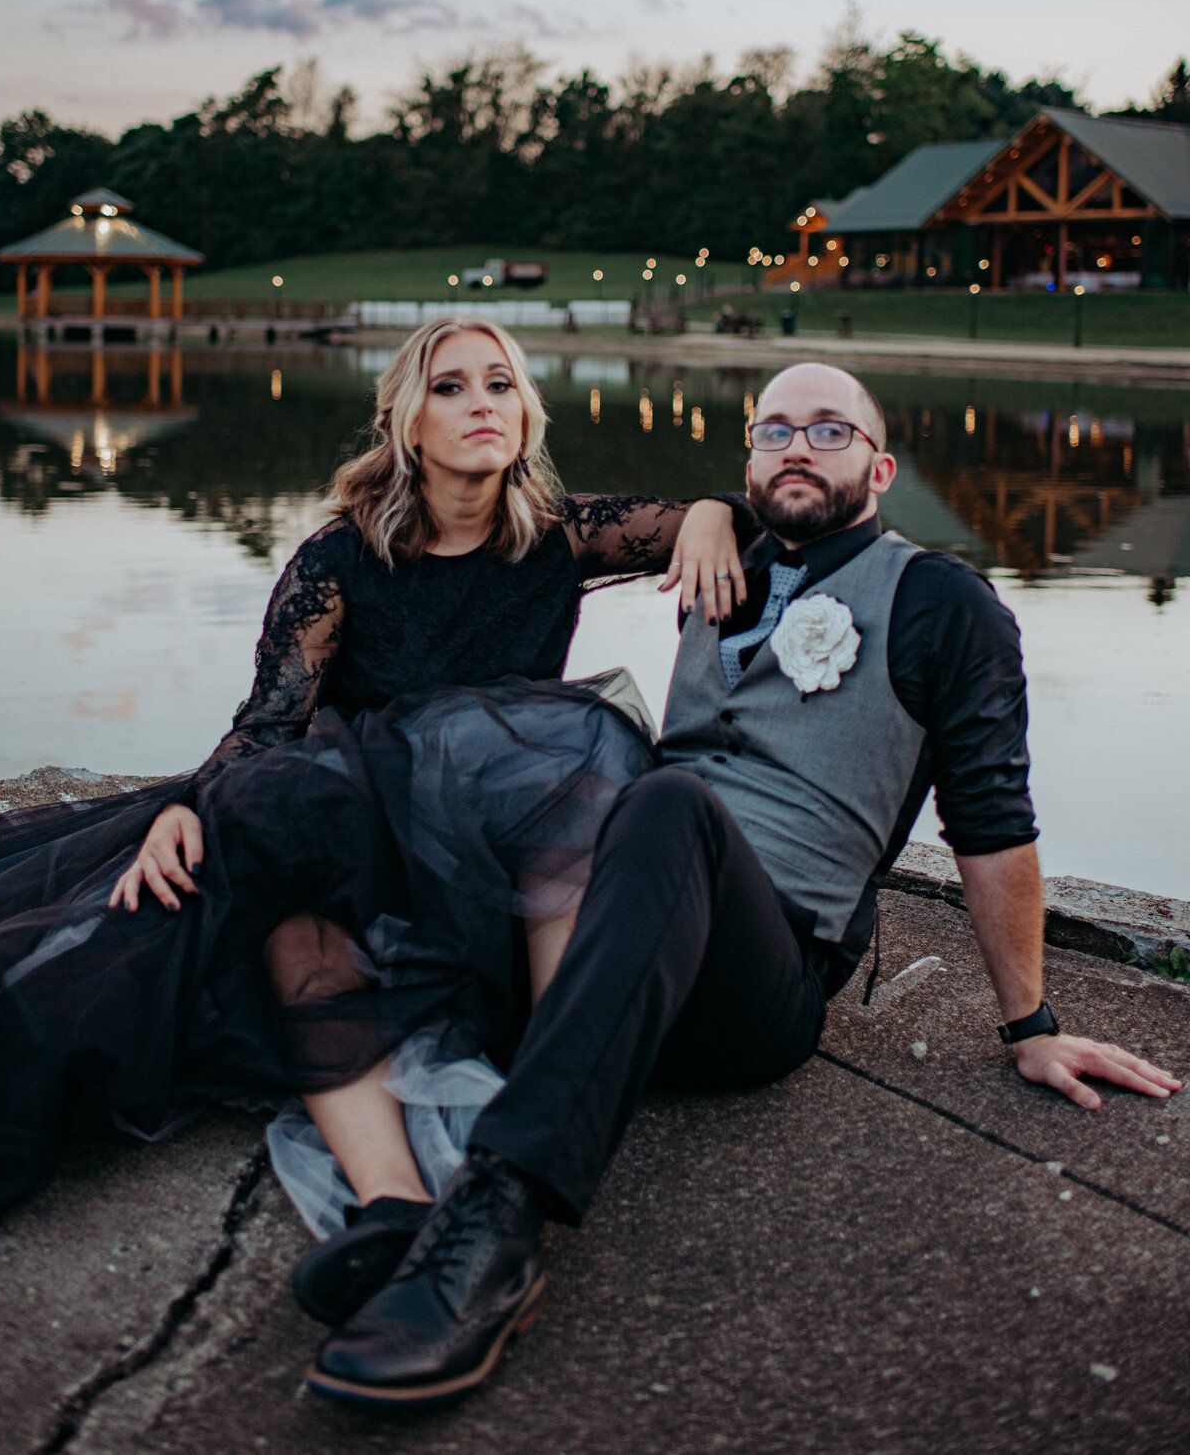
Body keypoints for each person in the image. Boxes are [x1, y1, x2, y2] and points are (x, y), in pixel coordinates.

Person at [306, 360, 1182, 1411]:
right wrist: (713, 517)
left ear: (881, 466)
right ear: (747, 462)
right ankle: (391, 1212)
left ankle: (493, 1226)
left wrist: (1028, 1021)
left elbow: (992, 820)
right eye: (774, 431)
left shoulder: (943, 602)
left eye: (829, 431)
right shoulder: (720, 554)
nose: (799, 448)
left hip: (757, 979)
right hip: (604, 933)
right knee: (333, 840)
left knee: (666, 805)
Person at [0, 316, 751, 1227]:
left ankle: (548, 1101)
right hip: (354, 837)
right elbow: (271, 720)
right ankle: (387, 1202)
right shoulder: (339, 559)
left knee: (587, 756)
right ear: (407, 423)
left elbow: (716, 517)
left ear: (527, 412)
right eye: (451, 386)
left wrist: (714, 513)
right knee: (127, 955)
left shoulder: (563, 536)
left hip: (494, 866)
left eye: (500, 384)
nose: (482, 404)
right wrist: (192, 804)